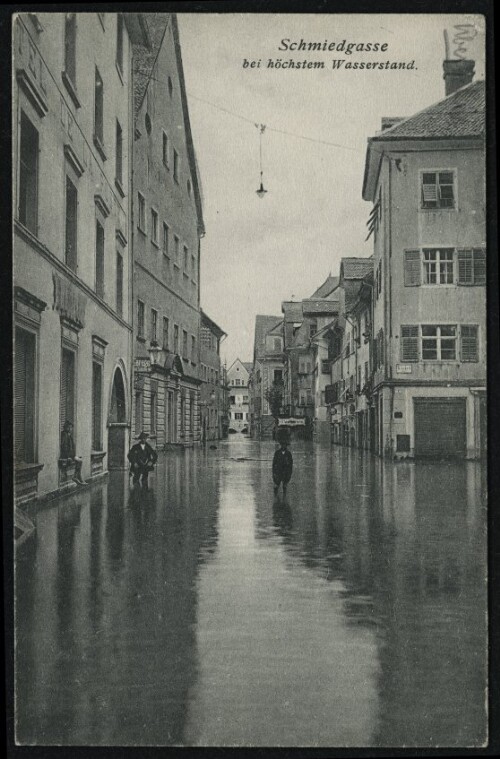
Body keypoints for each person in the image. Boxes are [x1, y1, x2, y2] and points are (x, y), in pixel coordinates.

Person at [60, 420, 85, 485]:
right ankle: (76, 477)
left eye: (71, 427)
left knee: (80, 460)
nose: (70, 429)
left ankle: (77, 477)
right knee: (79, 461)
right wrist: (68, 457)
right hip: (66, 456)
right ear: (65, 427)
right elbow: (64, 446)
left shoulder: (69, 435)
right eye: (69, 427)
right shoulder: (64, 435)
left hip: (71, 455)